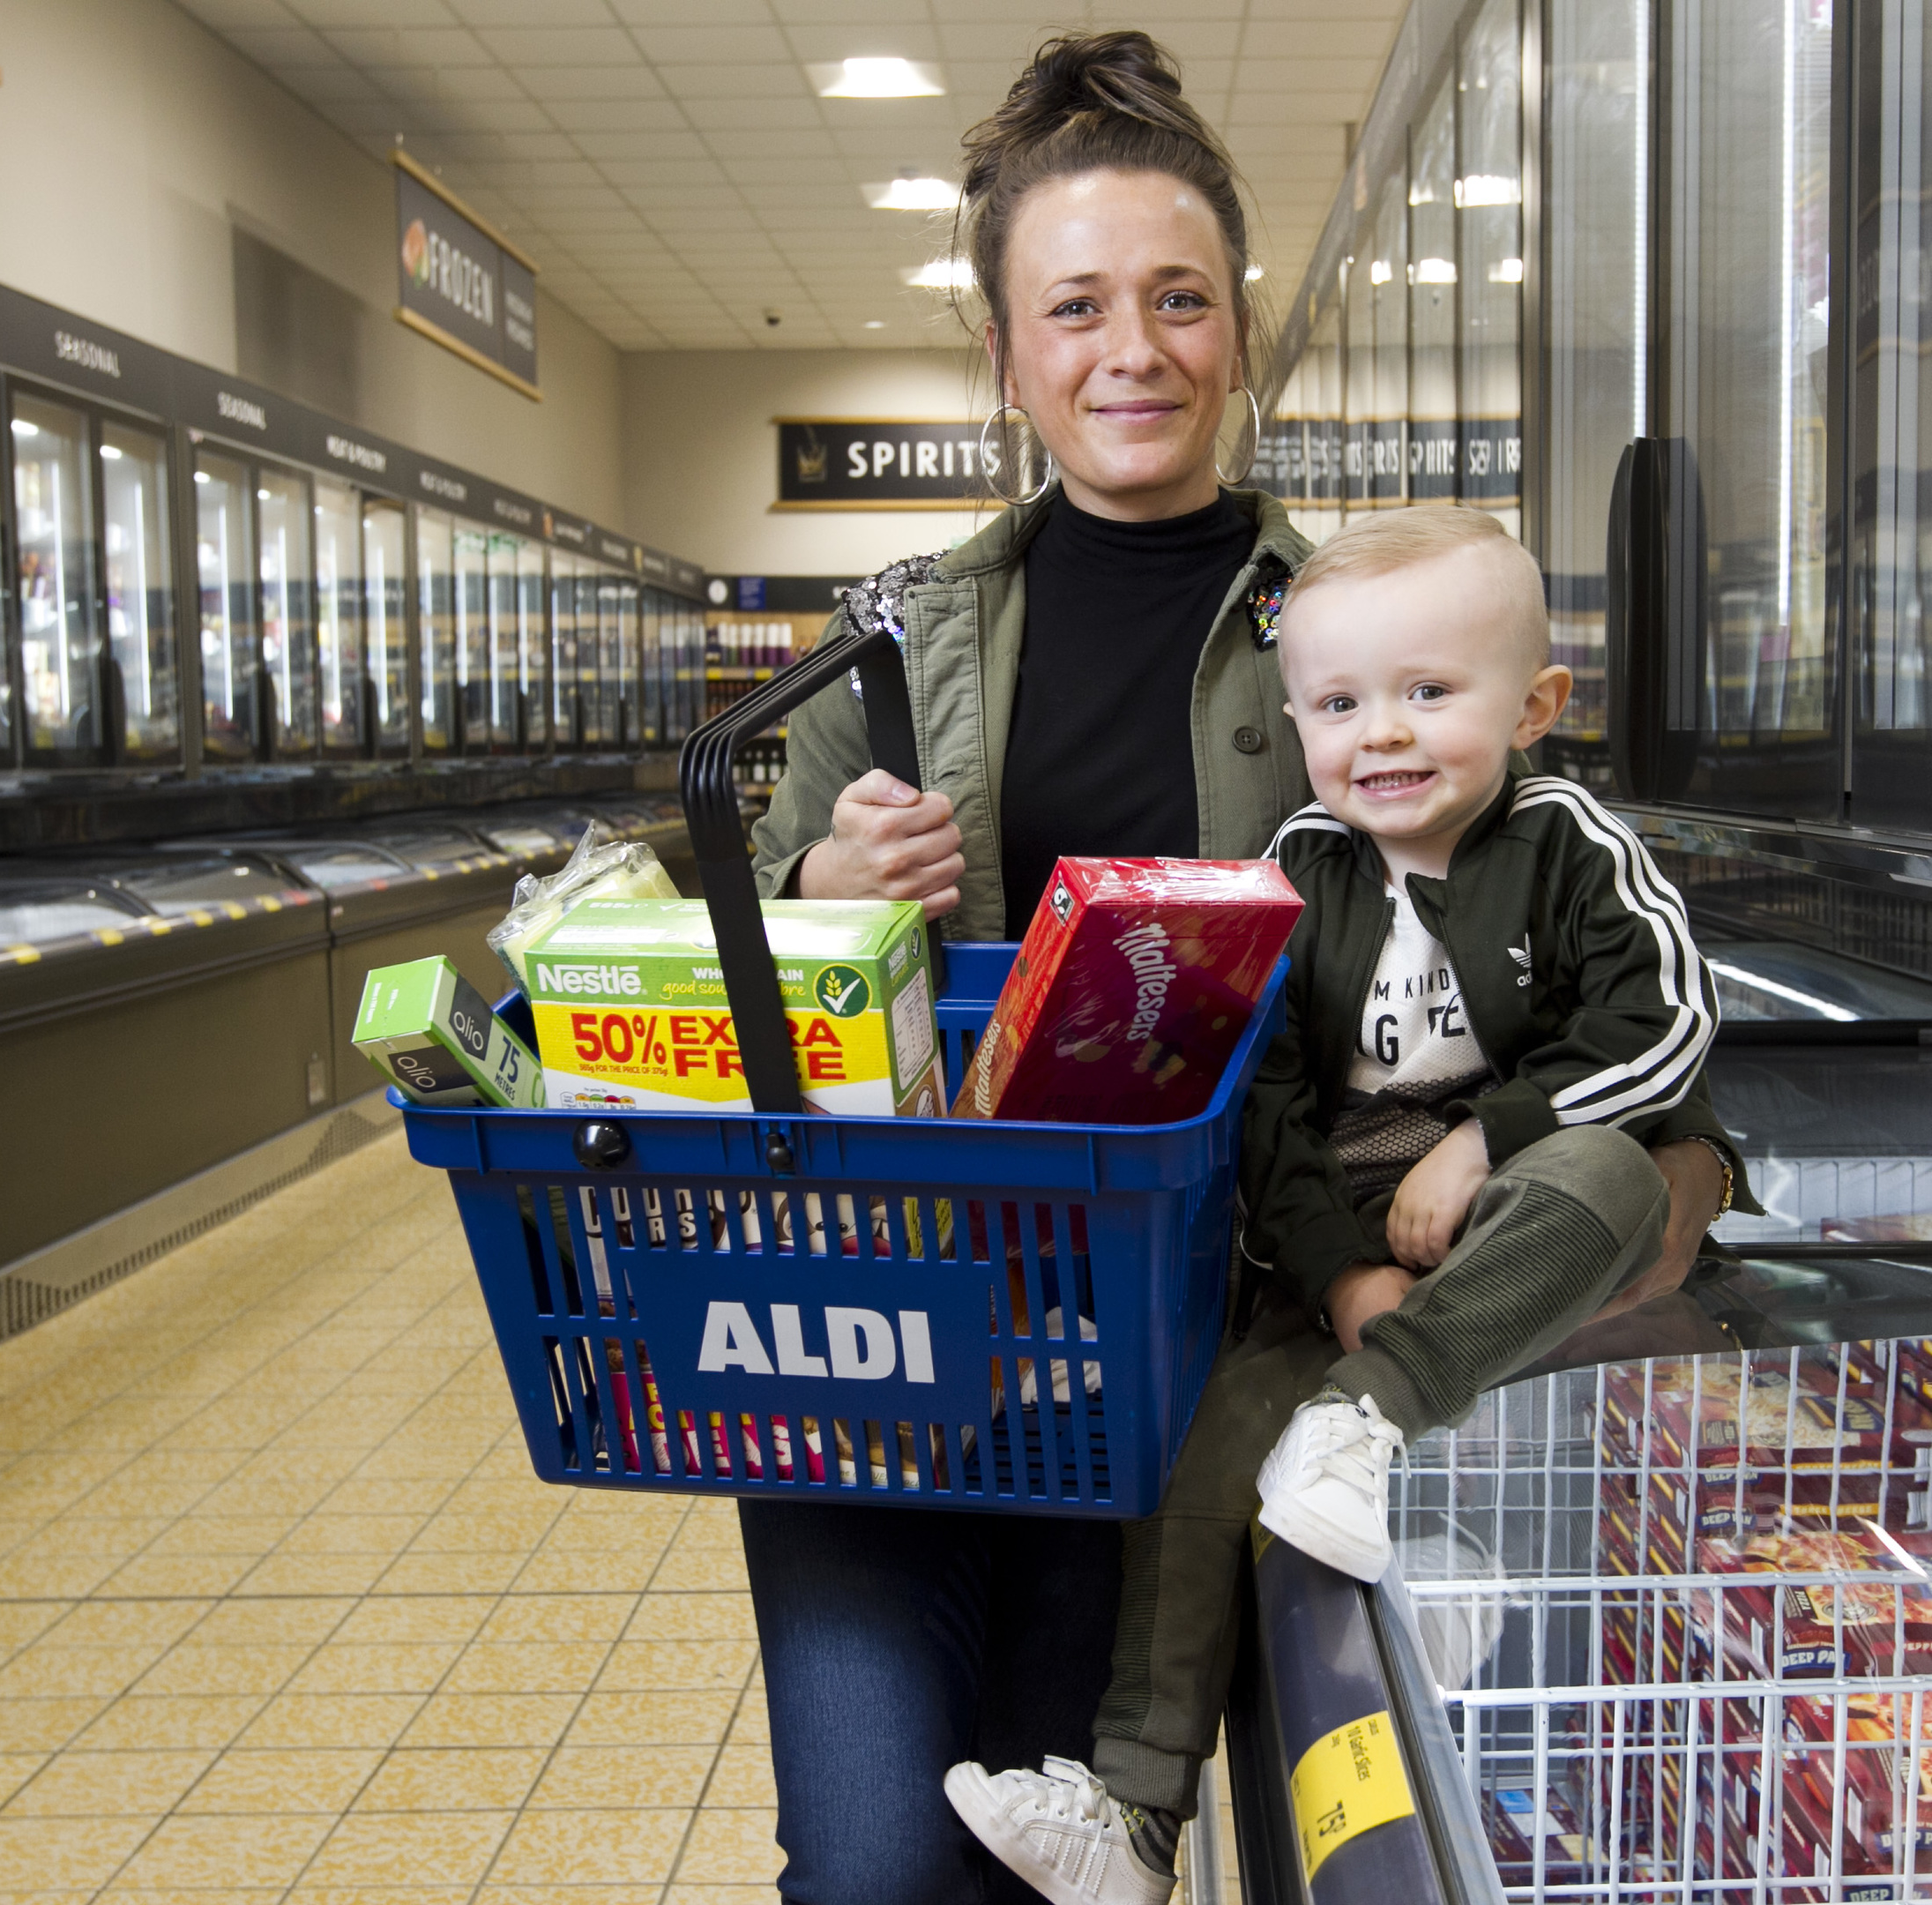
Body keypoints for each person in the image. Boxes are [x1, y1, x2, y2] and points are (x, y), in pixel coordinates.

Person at [944, 508, 1754, 1905]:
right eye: (1338, 703)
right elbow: (1260, 1098)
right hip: (1345, 1230)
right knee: (1203, 1452)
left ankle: (1368, 1414)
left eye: (1429, 694)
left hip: (1533, 1205)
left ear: (1536, 706)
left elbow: (1667, 1019)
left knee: (1611, 1170)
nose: (1380, 734)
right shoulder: (1297, 872)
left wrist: (1489, 1143)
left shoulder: (1570, 844)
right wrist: (1334, 1274)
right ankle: (1131, 1817)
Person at [733, 34, 1312, 1905]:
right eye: (1073, 307)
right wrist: (825, 882)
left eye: (1177, 300)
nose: (1129, 351)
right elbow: (724, 967)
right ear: (1006, 353)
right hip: (873, 1331)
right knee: (878, 1866)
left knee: (1060, 1865)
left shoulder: (1350, 632)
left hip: (1157, 1354)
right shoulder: (889, 643)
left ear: (1238, 328)